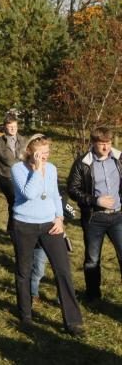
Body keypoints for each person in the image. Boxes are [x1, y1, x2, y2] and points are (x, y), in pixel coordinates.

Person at [11, 134, 83, 335]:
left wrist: (60, 218)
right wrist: (37, 170)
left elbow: (54, 195)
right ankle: (26, 315)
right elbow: (29, 194)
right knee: (24, 271)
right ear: (30, 153)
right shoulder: (17, 169)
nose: (45, 156)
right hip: (24, 225)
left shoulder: (51, 168)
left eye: (47, 152)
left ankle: (73, 321)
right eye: (41, 153)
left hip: (50, 225)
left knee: (63, 270)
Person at [67, 126, 122, 303]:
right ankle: (93, 296)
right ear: (93, 143)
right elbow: (72, 189)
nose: (106, 147)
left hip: (118, 217)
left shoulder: (119, 159)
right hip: (94, 218)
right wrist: (95, 201)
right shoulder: (83, 163)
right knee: (92, 259)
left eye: (108, 143)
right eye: (101, 144)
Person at [0, 114, 27, 235]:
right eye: (10, 127)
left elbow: (29, 158)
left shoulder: (24, 141)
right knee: (14, 201)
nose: (13, 129)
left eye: (15, 126)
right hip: (6, 177)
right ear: (5, 128)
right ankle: (14, 229)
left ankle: (14, 227)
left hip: (22, 177)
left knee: (20, 202)